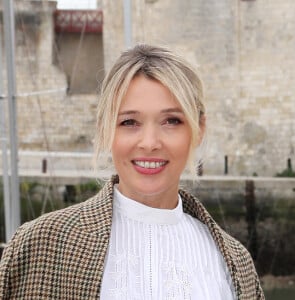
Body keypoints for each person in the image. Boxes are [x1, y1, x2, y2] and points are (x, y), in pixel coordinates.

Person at [0, 44, 265, 299]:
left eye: (171, 121)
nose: (149, 142)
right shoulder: (39, 246)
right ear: (105, 129)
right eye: (129, 122)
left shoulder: (235, 262)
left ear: (199, 129)